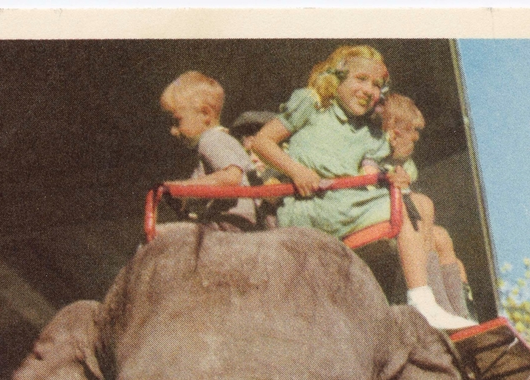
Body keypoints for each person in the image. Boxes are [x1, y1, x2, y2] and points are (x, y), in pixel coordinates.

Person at [251, 45, 473, 330]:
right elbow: (262, 141)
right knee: (413, 207)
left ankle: (435, 305)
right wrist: (297, 171)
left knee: (424, 205)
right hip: (313, 205)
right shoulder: (313, 105)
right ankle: (421, 302)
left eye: (377, 85)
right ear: (337, 78)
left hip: (346, 203)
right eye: (361, 79)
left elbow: (396, 164)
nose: (369, 89)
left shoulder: (368, 133)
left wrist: (401, 170)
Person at [377, 92, 474, 321]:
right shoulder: (372, 156)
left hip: (402, 221)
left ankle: (458, 314)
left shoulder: (405, 165)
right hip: (383, 220)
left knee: (443, 238)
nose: (415, 140)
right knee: (425, 210)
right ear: (394, 133)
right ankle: (438, 308)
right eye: (412, 133)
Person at [160, 71, 257, 229]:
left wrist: (183, 188)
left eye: (177, 121)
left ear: (206, 114)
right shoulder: (222, 139)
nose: (173, 130)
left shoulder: (211, 141)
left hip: (231, 224)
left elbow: (232, 177)